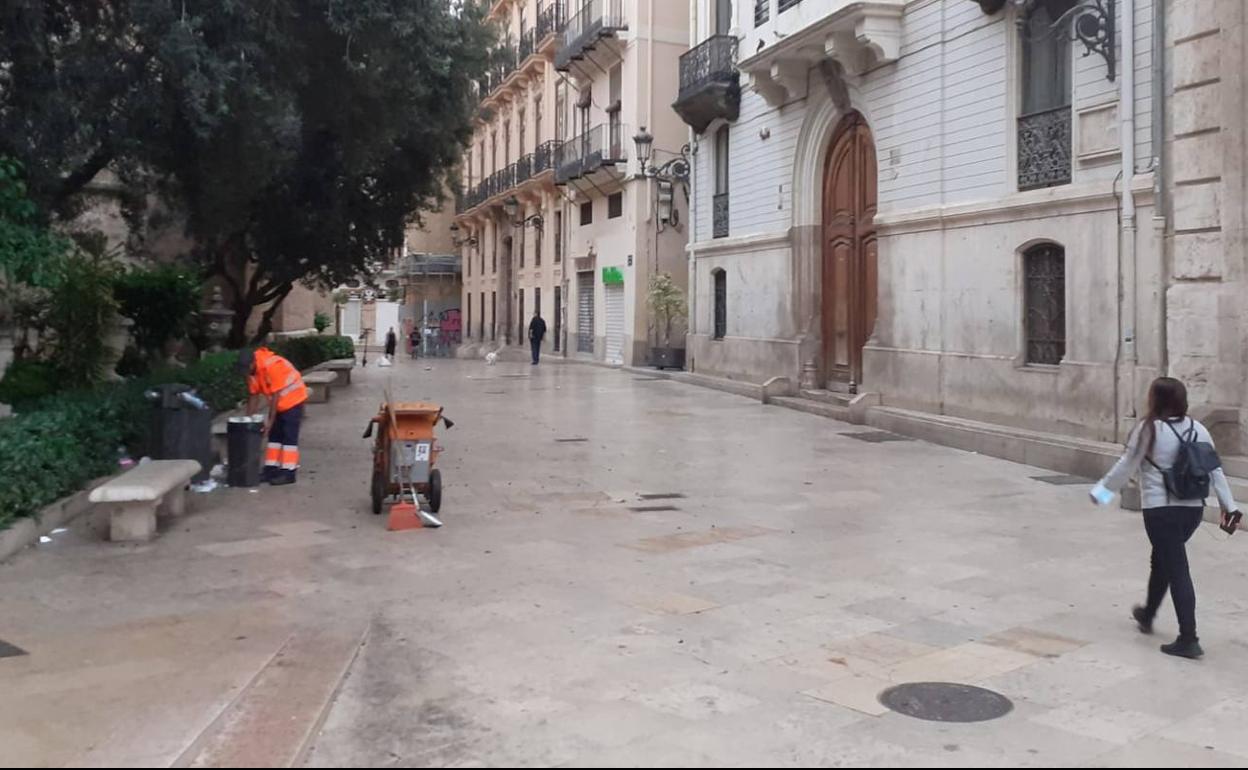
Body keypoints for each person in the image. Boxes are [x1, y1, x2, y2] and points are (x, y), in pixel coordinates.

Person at [1095, 376, 1240, 659]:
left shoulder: (1147, 430)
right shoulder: (1198, 429)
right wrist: (1229, 507)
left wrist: (1101, 494)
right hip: (1192, 511)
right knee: (1163, 559)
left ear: (1155, 400)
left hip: (1161, 511)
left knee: (1176, 567)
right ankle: (1147, 615)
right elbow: (1216, 471)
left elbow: (1126, 466)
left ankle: (1189, 637)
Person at [239, 346, 308, 486]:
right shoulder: (253, 372)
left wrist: (269, 422)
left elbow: (276, 396)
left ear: (252, 363)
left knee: (289, 437)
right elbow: (253, 396)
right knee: (274, 438)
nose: (245, 372)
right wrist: (248, 421)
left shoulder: (271, 366)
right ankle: (271, 470)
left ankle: (288, 473)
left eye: (246, 369)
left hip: (293, 400)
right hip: (280, 403)